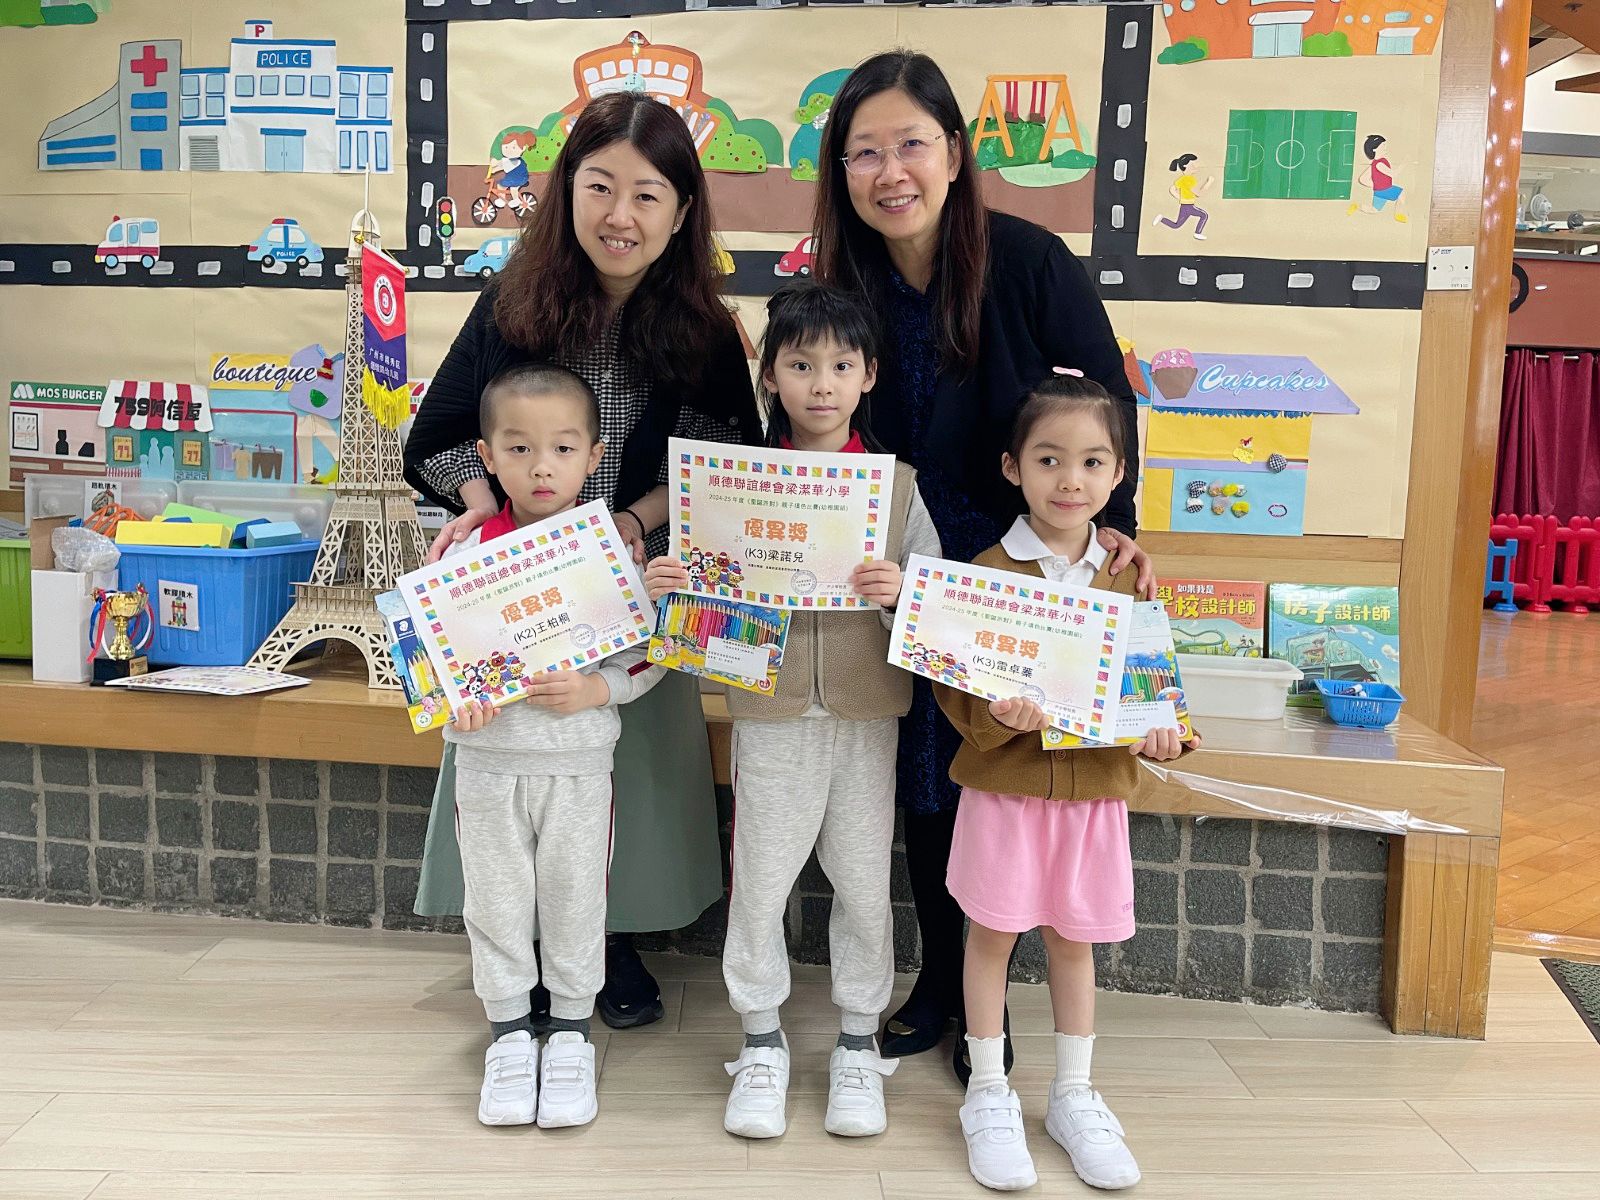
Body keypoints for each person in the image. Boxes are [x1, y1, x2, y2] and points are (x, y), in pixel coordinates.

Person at [812, 49, 1154, 1078]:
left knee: (998, 772)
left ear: (955, 153)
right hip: (899, 564)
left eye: (910, 144)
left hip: (1014, 568)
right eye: (864, 152)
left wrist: (1113, 525)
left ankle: (988, 1005)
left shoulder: (1029, 260)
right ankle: (944, 983)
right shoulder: (843, 283)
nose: (890, 172)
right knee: (925, 771)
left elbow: (1105, 402)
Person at [403, 91, 762, 1030]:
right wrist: (486, 511)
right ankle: (513, 953)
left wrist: (631, 525)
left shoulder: (706, 331)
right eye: (599, 187)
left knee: (623, 764)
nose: (619, 215)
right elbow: (436, 438)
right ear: (566, 191)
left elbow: (720, 467)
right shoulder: (511, 305)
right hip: (520, 585)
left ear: (682, 210)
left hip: (631, 584)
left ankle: (611, 941)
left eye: (647, 195)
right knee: (516, 758)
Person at [644, 282, 942, 1140]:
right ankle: (761, 1040)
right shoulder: (729, 486)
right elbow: (698, 617)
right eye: (801, 364)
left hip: (866, 717)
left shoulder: (899, 488)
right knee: (761, 883)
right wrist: (672, 586)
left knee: (864, 884)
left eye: (841, 366)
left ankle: (857, 1041)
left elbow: (936, 617)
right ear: (769, 375)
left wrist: (901, 594)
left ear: (869, 375)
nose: (822, 383)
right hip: (769, 715)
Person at [935, 376, 1197, 1191]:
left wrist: (1167, 733)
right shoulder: (985, 572)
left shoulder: (1129, 577)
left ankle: (1074, 1095)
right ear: (1013, 468)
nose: (1070, 480)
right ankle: (987, 1091)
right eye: (1049, 460)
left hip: (1093, 798)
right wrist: (994, 714)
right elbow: (955, 687)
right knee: (990, 936)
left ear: (1118, 474)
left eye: (1091, 462)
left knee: (1073, 939)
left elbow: (1155, 690)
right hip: (1004, 793)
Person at [447, 363, 662, 1130]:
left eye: (563, 449)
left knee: (576, 900)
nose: (542, 467)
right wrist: (458, 708)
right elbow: (436, 669)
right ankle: (509, 1035)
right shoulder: (464, 556)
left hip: (577, 767)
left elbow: (647, 657)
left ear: (594, 456)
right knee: (495, 901)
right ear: (487, 456)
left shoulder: (611, 554)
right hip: (489, 766)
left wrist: (597, 690)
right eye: (520, 448)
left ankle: (571, 1032)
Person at [1350, 134, 1408, 223]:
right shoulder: (1379, 164)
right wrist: (1404, 164)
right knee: (1401, 192)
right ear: (1375, 149)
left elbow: (1362, 179)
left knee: (1374, 210)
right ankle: (1398, 214)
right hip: (1386, 189)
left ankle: (1357, 206)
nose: (1385, 148)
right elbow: (1393, 174)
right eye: (1383, 146)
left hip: (1379, 191)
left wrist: (1376, 185)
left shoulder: (1375, 163)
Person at [1152, 153, 1211, 240]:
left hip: (1184, 206)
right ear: (1185, 166)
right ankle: (1197, 233)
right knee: (1204, 215)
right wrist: (1209, 182)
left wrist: (1181, 199)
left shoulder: (1182, 179)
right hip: (1189, 206)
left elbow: (1172, 189)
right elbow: (1199, 193)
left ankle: (1161, 219)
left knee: (1176, 225)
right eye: (1193, 165)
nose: (1197, 166)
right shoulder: (1189, 179)